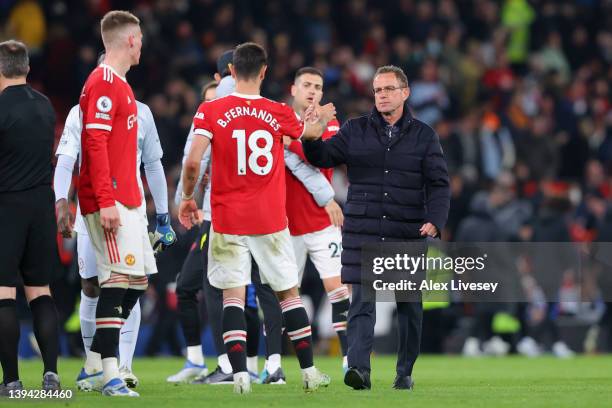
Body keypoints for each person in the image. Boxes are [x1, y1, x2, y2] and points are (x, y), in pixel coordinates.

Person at [179, 42, 334, 394]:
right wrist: (320, 119)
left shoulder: (210, 111)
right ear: (264, 72)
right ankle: (309, 373)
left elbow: (192, 162)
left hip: (227, 218)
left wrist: (188, 198)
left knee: (232, 296)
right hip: (270, 220)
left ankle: (239, 378)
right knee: (288, 295)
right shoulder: (277, 111)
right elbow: (308, 136)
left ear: (231, 72)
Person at [302, 65, 450, 391]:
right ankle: (358, 370)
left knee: (409, 306)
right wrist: (313, 131)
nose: (381, 96)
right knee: (361, 303)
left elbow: (439, 184)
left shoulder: (425, 135)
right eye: (377, 90)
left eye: (387, 89)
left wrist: (436, 221)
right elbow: (322, 157)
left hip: (407, 230)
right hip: (364, 230)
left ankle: (405, 372)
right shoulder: (355, 130)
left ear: (405, 92)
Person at [54, 55, 174, 392]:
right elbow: (66, 162)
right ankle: (97, 364)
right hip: (93, 211)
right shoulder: (80, 113)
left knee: (127, 282)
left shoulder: (143, 113)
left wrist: (162, 214)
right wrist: (61, 200)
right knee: (93, 286)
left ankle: (120, 365)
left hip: (131, 213)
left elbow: (153, 165)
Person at [78, 10, 153, 397]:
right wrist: (106, 201)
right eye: (139, 38)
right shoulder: (104, 82)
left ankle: (94, 360)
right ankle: (110, 376)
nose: (142, 44)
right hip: (110, 202)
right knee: (116, 280)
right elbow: (94, 145)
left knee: (138, 280)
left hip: (129, 201)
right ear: (129, 41)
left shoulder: (121, 85)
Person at [0, 39, 61, 394]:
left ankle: (11, 381)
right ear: (25, 67)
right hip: (42, 207)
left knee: (5, 293)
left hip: (7, 207)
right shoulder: (45, 106)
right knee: (40, 292)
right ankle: (51, 376)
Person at [285, 66, 350, 372]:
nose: (312, 91)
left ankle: (351, 360)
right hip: (285, 225)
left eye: (318, 87)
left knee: (338, 289)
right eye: (307, 85)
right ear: (293, 89)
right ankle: (276, 364)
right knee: (283, 296)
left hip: (323, 223)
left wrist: (294, 143)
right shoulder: (278, 121)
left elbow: (320, 156)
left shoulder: (331, 122)